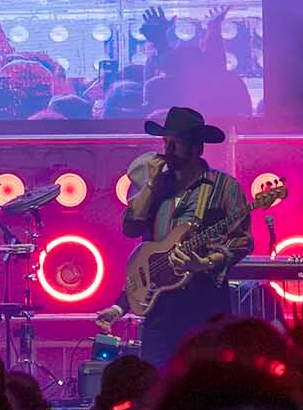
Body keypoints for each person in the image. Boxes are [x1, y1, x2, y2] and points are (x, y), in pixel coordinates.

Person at [96, 106, 251, 366]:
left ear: (196, 148)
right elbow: (134, 233)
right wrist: (120, 306)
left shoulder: (224, 187)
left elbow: (241, 240)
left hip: (205, 306)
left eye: (176, 143)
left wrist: (204, 262)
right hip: (161, 311)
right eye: (165, 142)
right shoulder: (157, 187)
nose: (167, 150)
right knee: (157, 385)